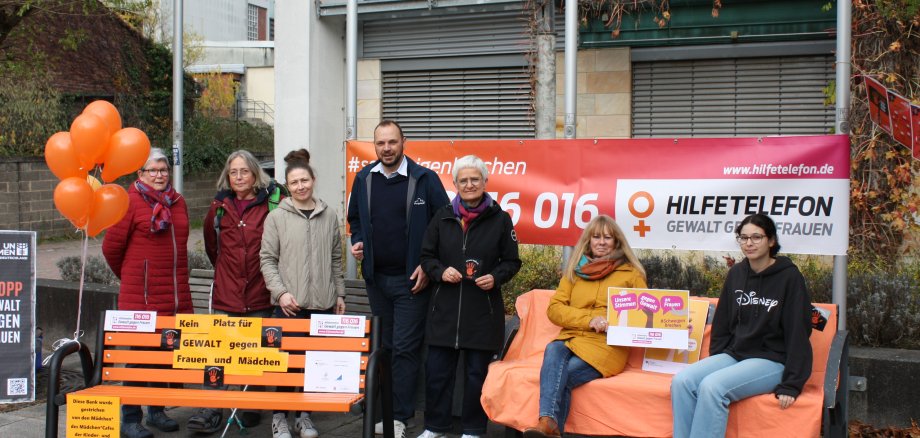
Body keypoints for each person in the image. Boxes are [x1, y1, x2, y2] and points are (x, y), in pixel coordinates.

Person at [346, 120, 450, 437]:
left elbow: (446, 225)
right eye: (381, 143)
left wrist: (428, 265)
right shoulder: (364, 179)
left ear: (403, 142)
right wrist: (358, 240)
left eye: (392, 142)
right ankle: (381, 411)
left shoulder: (424, 179)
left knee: (406, 349)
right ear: (374, 146)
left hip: (412, 282)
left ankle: (399, 418)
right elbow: (354, 220)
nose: (387, 149)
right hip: (377, 281)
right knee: (385, 347)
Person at [670, 213, 813, 438]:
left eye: (757, 237)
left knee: (713, 387)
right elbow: (723, 321)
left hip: (772, 360)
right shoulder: (737, 273)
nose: (749, 243)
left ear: (771, 241)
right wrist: (718, 359)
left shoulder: (789, 277)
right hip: (736, 355)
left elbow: (798, 329)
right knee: (682, 381)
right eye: (743, 237)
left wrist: (792, 384)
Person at [416, 155, 522, 438]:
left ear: (485, 182)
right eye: (463, 180)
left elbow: (512, 262)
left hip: (482, 313)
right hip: (444, 311)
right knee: (437, 374)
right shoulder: (442, 216)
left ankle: (474, 429)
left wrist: (496, 277)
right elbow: (426, 256)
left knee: (477, 376)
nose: (469, 184)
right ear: (455, 184)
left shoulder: (501, 219)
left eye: (475, 179)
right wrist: (439, 271)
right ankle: (434, 427)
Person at [186, 150, 285, 432]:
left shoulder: (271, 204)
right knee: (218, 353)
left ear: (255, 173)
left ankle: (250, 403)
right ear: (227, 177)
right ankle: (212, 407)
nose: (239, 177)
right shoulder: (219, 206)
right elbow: (211, 246)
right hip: (227, 292)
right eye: (233, 172)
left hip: (259, 288)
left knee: (254, 351)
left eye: (244, 171)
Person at [523, 215, 647, 438]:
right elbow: (554, 309)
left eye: (607, 237)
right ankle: (549, 424)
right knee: (553, 349)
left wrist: (675, 323)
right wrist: (589, 319)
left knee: (561, 377)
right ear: (588, 242)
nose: (601, 242)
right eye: (596, 237)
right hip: (572, 338)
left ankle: (547, 425)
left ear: (617, 242)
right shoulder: (574, 271)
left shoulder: (632, 274)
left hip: (607, 346)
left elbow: (643, 315)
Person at [102, 148, 192, 438]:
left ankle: (156, 411)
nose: (158, 175)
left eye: (163, 169)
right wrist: (133, 277)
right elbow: (111, 248)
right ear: (140, 174)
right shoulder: (128, 203)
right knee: (140, 358)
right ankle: (130, 417)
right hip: (141, 297)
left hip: (175, 294)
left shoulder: (178, 202)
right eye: (151, 170)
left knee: (164, 356)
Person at [261, 149, 346, 438]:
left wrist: (340, 293)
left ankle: (304, 416)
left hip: (322, 303)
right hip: (290, 305)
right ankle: (280, 418)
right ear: (288, 185)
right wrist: (281, 293)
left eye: (305, 180)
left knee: (313, 363)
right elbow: (267, 259)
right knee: (286, 363)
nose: (300, 186)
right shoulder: (277, 218)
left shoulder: (328, 214)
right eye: (294, 182)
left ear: (313, 179)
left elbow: (336, 259)